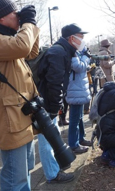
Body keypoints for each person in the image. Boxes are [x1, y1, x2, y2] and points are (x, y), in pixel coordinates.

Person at [0, 0, 39, 190]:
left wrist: (31, 25)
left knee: (25, 171)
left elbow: (31, 51)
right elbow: (23, 47)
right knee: (15, 178)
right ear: (2, 17)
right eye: (15, 14)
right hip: (9, 119)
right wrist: (28, 23)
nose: (19, 17)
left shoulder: (6, 39)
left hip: (21, 115)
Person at [36, 24, 88, 183]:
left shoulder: (62, 50)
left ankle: (54, 168)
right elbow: (54, 82)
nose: (83, 41)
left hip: (47, 101)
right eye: (81, 37)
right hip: (46, 103)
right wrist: (54, 108)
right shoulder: (59, 52)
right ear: (72, 38)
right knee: (47, 140)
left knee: (52, 137)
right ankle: (52, 174)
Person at [66, 44, 93, 154]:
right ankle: (74, 144)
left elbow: (83, 67)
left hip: (79, 89)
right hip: (75, 90)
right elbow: (79, 67)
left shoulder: (76, 52)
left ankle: (81, 139)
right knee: (74, 119)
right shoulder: (72, 52)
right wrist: (86, 57)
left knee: (80, 117)